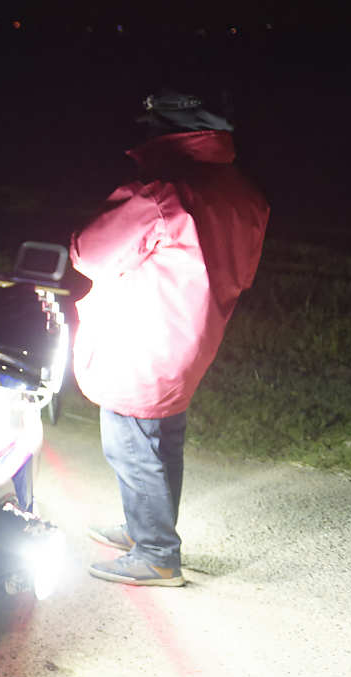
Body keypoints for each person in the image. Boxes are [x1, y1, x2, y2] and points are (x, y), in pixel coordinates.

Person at [73, 90, 268, 587]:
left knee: (130, 442)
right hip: (196, 332)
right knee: (163, 439)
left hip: (145, 334)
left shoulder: (163, 192)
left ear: (166, 133)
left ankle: (156, 553)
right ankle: (145, 529)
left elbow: (89, 253)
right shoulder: (242, 191)